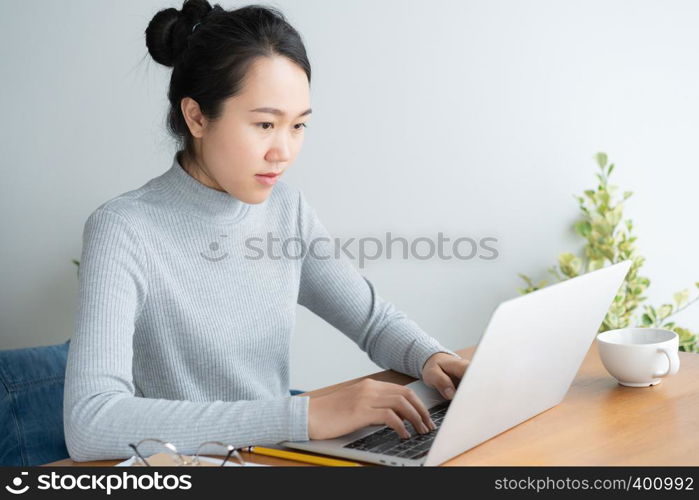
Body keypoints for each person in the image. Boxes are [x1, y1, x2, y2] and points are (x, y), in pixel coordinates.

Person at [63, 0, 470, 461]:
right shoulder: (122, 230)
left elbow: (371, 320)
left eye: (298, 125)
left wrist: (431, 358)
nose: (284, 151)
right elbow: (90, 422)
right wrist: (302, 415)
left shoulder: (286, 210)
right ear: (196, 116)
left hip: (276, 456)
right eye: (264, 124)